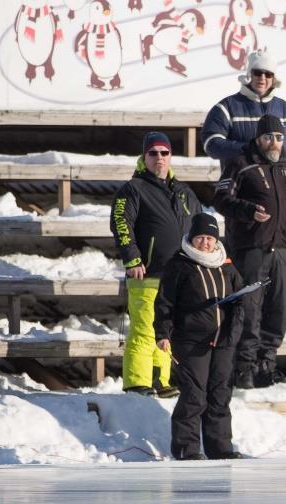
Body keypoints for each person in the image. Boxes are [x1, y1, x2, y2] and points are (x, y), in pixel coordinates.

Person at [212, 114, 286, 389]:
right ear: (258, 139)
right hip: (252, 248)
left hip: (285, 252)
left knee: (279, 309)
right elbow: (220, 199)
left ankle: (267, 363)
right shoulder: (241, 164)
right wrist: (247, 211)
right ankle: (244, 367)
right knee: (249, 309)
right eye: (268, 137)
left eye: (279, 137)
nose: (274, 142)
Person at [110, 131, 201, 397]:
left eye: (164, 152)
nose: (159, 158)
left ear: (171, 156)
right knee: (144, 331)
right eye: (153, 153)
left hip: (179, 277)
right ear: (144, 156)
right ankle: (138, 382)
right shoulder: (133, 189)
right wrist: (132, 258)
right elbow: (120, 224)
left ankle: (161, 381)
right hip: (146, 274)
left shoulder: (184, 192)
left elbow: (199, 227)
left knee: (167, 333)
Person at [154, 213, 245, 461]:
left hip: (223, 341)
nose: (206, 243)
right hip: (191, 341)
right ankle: (186, 449)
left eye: (210, 238)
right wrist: (162, 333)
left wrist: (232, 334)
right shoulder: (179, 264)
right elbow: (164, 303)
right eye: (201, 237)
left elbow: (240, 303)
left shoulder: (226, 265)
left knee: (220, 394)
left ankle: (220, 447)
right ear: (192, 238)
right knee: (194, 395)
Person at [201, 48, 286, 196]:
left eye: (268, 74)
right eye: (258, 72)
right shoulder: (226, 108)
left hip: (281, 194)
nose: (263, 78)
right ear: (249, 74)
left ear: (274, 78)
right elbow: (211, 144)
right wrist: (249, 149)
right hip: (240, 192)